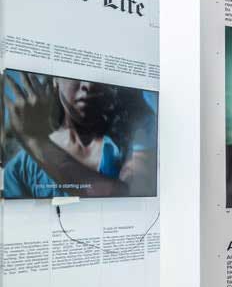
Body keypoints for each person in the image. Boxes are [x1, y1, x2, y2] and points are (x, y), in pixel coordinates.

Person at [4, 73, 155, 198]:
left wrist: (35, 141)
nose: (88, 85)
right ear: (55, 80)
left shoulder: (133, 137)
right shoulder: (21, 169)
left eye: (98, 76)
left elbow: (133, 195)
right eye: (74, 74)